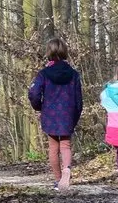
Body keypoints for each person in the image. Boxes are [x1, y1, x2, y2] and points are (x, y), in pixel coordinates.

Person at [27, 41, 82, 189]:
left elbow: (34, 93)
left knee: (53, 148)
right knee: (66, 145)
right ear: (64, 52)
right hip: (67, 114)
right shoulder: (74, 74)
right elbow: (78, 99)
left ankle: (58, 180)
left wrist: (38, 107)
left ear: (48, 53)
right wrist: (75, 116)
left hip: (50, 114)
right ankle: (67, 171)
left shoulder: (43, 74)